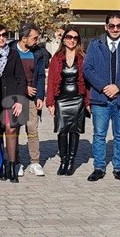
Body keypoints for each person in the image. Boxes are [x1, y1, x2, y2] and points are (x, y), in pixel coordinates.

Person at [83, 12, 120, 183]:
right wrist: (104, 87)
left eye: (119, 26)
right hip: (100, 98)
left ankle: (119, 168)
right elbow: (88, 69)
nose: (115, 29)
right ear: (106, 26)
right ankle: (99, 167)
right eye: (112, 25)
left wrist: (118, 86)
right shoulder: (95, 45)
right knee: (99, 135)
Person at [45, 26, 90, 176]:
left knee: (75, 131)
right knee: (62, 131)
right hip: (61, 99)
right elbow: (51, 80)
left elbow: (88, 82)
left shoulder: (83, 57)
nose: (72, 40)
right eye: (69, 37)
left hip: (78, 99)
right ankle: (63, 161)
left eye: (75, 38)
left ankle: (71, 162)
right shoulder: (57, 57)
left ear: (78, 40)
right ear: (64, 39)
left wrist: (88, 102)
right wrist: (50, 102)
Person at [0, 24, 26, 183]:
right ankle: (0, 166)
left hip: (11, 98)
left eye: (4, 34)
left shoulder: (13, 54)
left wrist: (20, 101)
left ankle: (12, 166)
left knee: (11, 130)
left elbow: (21, 78)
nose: (1, 38)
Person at [15, 22, 46, 177]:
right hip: (15, 98)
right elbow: (9, 77)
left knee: (32, 130)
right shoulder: (12, 52)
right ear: (23, 38)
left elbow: (40, 75)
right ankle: (17, 162)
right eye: (34, 38)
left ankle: (35, 162)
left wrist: (40, 95)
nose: (37, 40)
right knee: (15, 130)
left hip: (32, 98)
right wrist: (24, 88)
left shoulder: (38, 53)